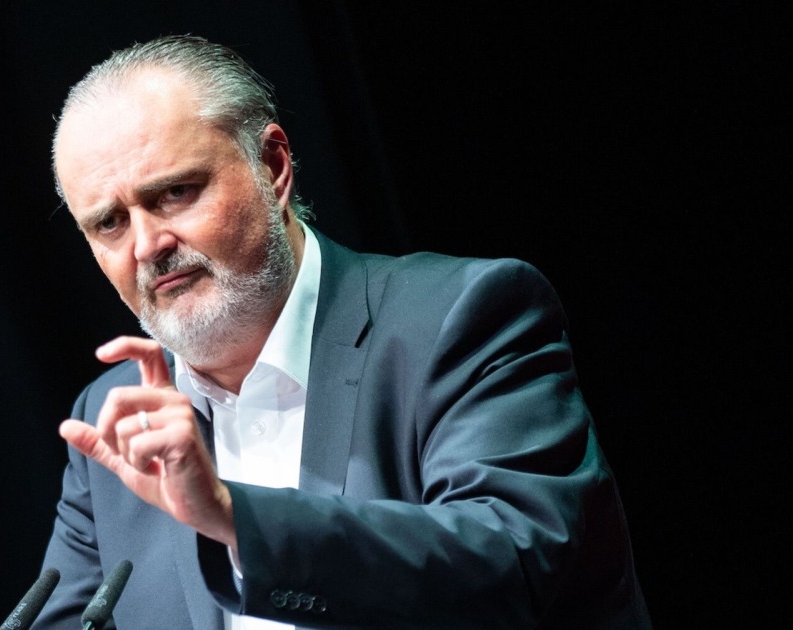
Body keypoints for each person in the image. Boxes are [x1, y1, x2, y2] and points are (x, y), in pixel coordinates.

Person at [34, 34, 651, 629]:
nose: (147, 245)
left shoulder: (462, 318)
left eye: (175, 192)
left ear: (273, 167)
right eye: (110, 223)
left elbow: (514, 563)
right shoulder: (117, 418)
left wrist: (234, 519)